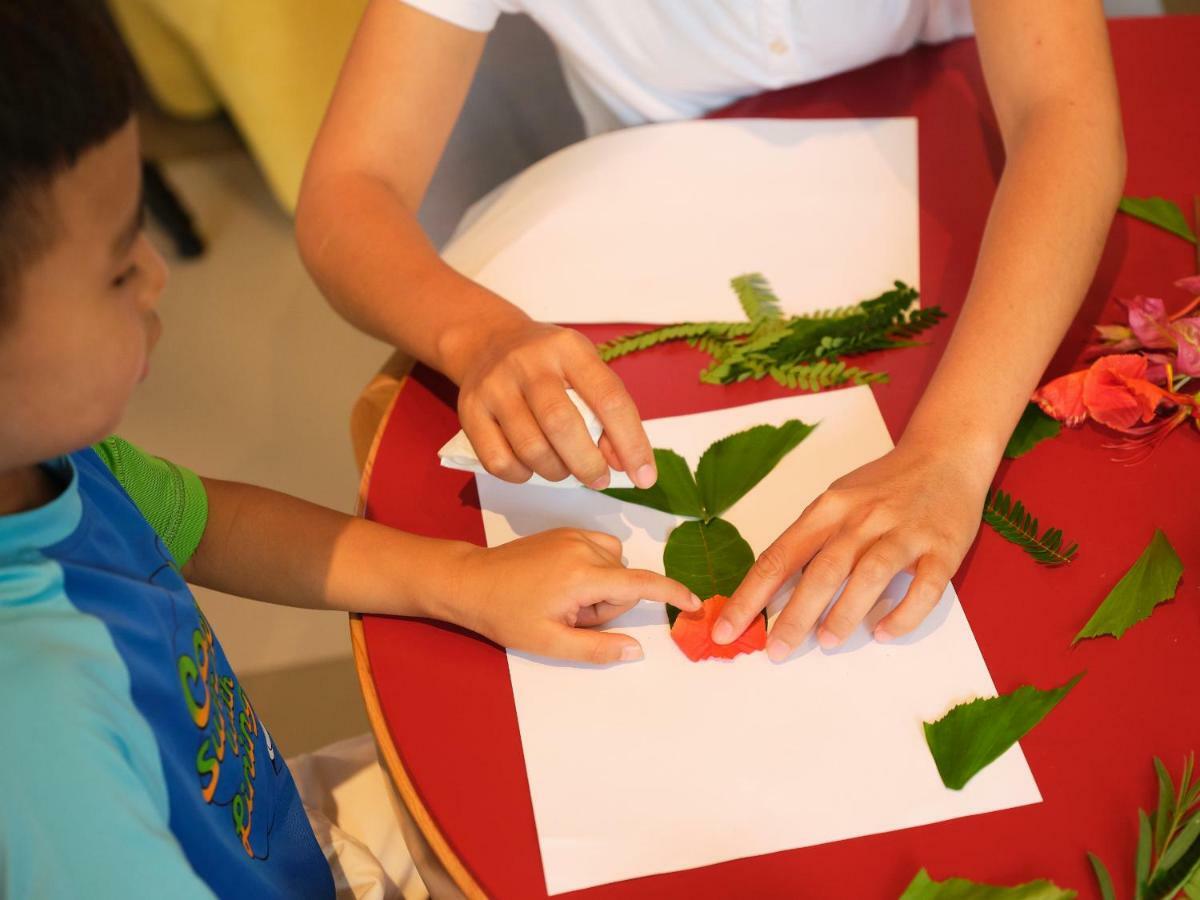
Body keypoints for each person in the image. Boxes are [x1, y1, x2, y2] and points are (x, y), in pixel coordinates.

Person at [0, 4, 698, 897]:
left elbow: (206, 524)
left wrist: (464, 580)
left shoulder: (56, 464)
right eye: (115, 267)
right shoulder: (41, 743)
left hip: (285, 838)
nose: (157, 272)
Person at [296, 0, 1125, 660]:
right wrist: (475, 335)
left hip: (975, 225)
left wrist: (951, 448)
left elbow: (1065, 112)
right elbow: (348, 188)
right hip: (669, 279)